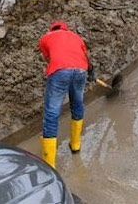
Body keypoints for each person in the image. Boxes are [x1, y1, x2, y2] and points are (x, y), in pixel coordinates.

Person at [39, 20, 90, 168]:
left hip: (60, 71)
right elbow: (86, 57)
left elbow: (49, 59)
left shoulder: (46, 38)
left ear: (52, 29)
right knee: (77, 103)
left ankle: (49, 164)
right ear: (66, 29)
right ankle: (75, 144)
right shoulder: (76, 37)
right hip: (81, 70)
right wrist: (90, 72)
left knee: (52, 113)